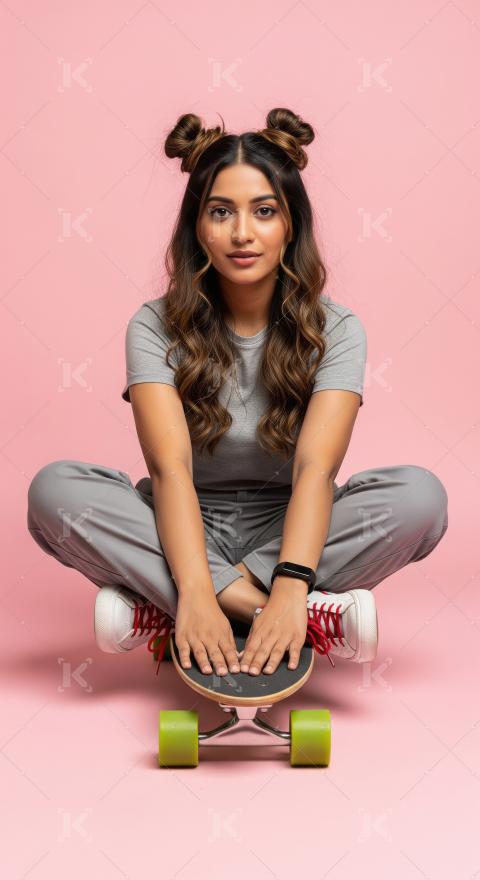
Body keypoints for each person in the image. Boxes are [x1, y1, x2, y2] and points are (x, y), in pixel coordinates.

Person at [27, 107, 448, 680]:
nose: (242, 233)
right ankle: (290, 617)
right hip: (181, 522)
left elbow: (315, 474)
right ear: (197, 227)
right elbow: (170, 469)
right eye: (221, 212)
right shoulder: (153, 325)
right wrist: (201, 590)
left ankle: (158, 605)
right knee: (55, 491)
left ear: (291, 224)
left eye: (264, 211)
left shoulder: (338, 329)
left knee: (420, 499)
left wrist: (291, 581)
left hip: (292, 526)